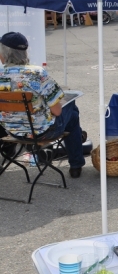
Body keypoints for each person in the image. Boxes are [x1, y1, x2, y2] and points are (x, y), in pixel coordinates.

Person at [0, 32, 86, 178]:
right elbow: (57, 111)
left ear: (3, 54)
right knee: (71, 111)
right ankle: (76, 165)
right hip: (43, 132)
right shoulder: (37, 73)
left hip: (13, 132)